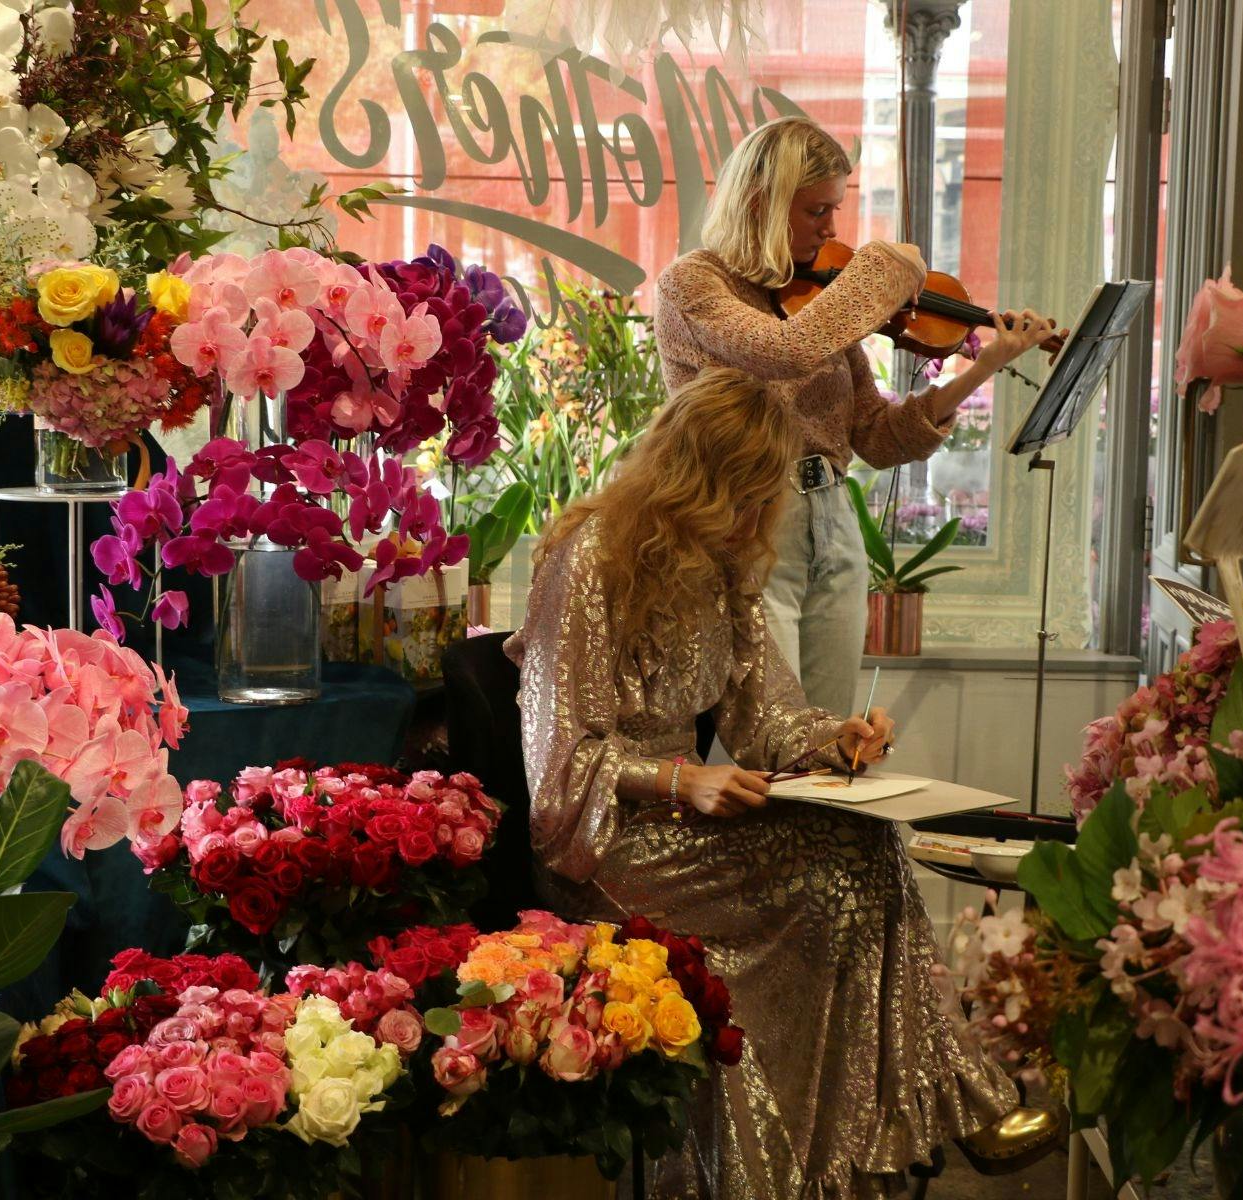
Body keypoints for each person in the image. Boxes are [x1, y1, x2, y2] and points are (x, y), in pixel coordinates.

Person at [506, 367, 1052, 1200]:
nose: (756, 519)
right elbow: (559, 764)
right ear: (693, 481)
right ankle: (918, 1123)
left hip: (687, 817)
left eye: (764, 499)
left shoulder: (723, 562)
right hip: (606, 841)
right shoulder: (588, 562)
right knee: (841, 879)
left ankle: (858, 1149)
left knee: (865, 844)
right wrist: (680, 780)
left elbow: (768, 718)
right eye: (744, 496)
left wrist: (838, 739)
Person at [654, 115, 1057, 715]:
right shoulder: (693, 284)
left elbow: (877, 436)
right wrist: (881, 268)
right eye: (817, 210)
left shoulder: (816, 296)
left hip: (834, 519)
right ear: (761, 203)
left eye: (836, 210)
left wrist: (983, 366)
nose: (832, 228)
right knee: (768, 730)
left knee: (829, 728)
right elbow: (783, 350)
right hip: (748, 523)